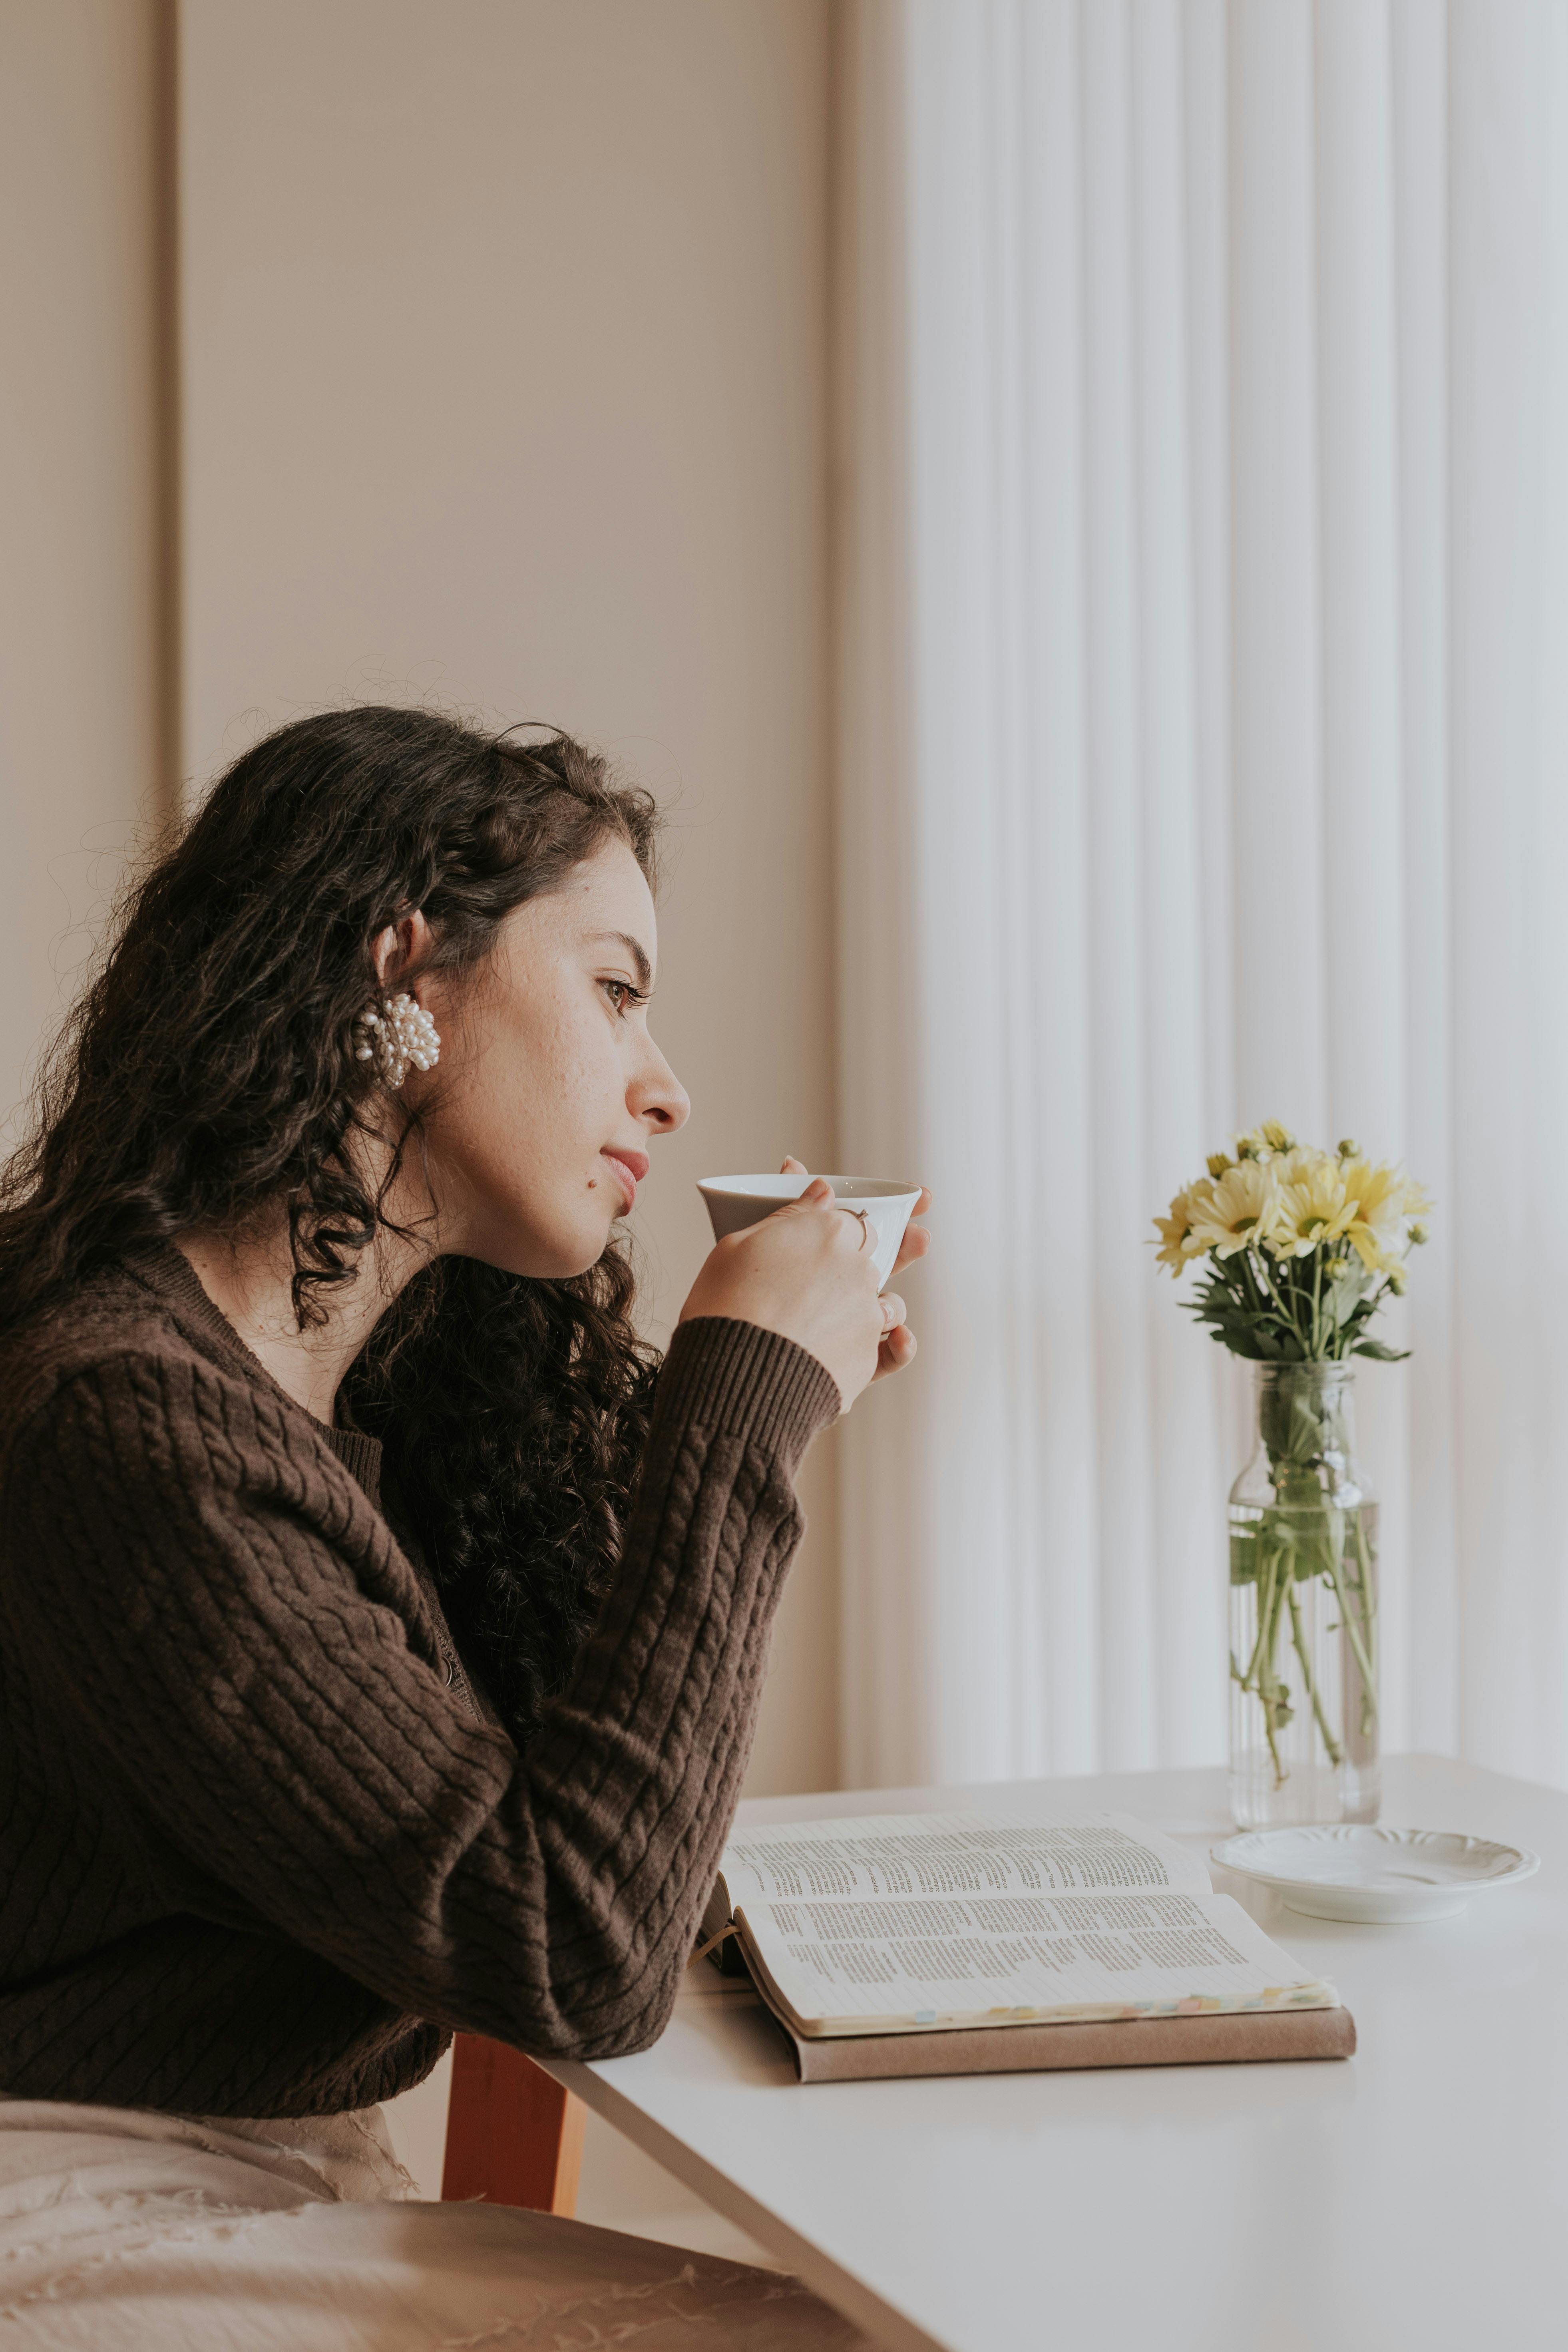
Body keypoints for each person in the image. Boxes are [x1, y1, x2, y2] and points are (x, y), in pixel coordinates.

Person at [0, 706, 928, 2348]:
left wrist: (727, 1409)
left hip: (252, 2184)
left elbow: (589, 1838)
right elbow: (571, 1950)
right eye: (616, 988)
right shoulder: (128, 1423)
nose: (668, 1082)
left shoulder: (321, 1394)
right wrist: (741, 1407)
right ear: (405, 969)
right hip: (69, 2207)